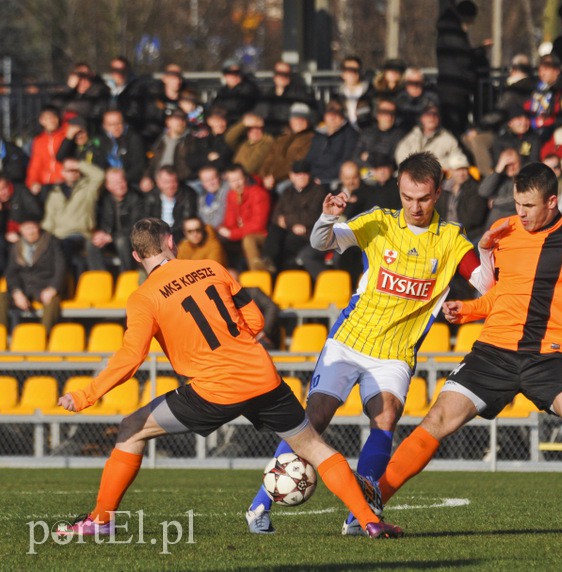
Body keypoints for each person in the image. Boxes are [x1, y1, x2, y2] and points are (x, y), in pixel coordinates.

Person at [55, 217, 401, 539]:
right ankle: (369, 521)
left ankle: (100, 521)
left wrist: (86, 395)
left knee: (132, 428)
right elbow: (255, 321)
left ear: (135, 255)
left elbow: (131, 358)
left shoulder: (143, 298)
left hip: (213, 391)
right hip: (262, 377)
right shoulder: (210, 267)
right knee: (315, 448)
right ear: (170, 242)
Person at [375, 162, 562, 539]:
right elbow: (504, 294)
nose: (521, 213)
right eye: (516, 204)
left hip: (549, 354)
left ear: (552, 201)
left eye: (528, 206)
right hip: (494, 350)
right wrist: (470, 311)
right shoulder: (506, 233)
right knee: (437, 421)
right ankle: (371, 506)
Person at [246, 152, 493, 535]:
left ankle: (358, 516)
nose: (415, 206)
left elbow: (485, 283)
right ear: (399, 188)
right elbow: (321, 241)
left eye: (424, 198)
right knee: (313, 423)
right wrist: (328, 217)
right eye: (408, 197)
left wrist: (488, 250)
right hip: (349, 341)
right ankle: (259, 506)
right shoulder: (378, 221)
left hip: (395, 352)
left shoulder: (450, 239)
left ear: (438, 193)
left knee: (386, 419)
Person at [40, 158, 105, 277]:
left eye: (75, 170)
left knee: (73, 247)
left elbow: (99, 175)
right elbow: (49, 219)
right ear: (62, 172)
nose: (73, 173)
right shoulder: (55, 192)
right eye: (69, 170)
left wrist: (78, 164)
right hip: (60, 235)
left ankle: (97, 282)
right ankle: (62, 284)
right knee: (48, 248)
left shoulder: (87, 188)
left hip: (82, 233)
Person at [0, 218, 65, 334]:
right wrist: (16, 292)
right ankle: (1, 335)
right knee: (1, 297)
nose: (30, 232)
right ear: (21, 230)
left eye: (32, 227)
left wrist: (52, 288)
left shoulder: (52, 242)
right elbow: (11, 273)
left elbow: (61, 268)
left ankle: (44, 336)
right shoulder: (16, 247)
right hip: (24, 288)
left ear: (38, 227)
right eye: (26, 228)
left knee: (53, 302)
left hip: (45, 287)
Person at [435, 0, 489, 135]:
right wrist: (481, 51)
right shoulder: (452, 30)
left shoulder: (449, 29)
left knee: (455, 126)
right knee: (454, 127)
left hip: (455, 87)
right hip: (455, 88)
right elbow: (464, 58)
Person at [261, 160, 326, 273]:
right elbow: (276, 216)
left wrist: (286, 220)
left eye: (304, 173)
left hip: (308, 232)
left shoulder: (318, 191)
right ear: (291, 176)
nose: (301, 177)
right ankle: (268, 262)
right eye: (298, 174)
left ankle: (280, 274)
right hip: (291, 230)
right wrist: (292, 225)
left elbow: (312, 216)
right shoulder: (287, 192)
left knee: (287, 243)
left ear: (309, 175)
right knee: (274, 231)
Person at [87, 168, 143, 272]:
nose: (120, 185)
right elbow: (101, 222)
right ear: (108, 186)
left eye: (121, 181)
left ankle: (126, 277)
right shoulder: (105, 200)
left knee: (121, 241)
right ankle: (100, 278)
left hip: (129, 240)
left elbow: (136, 227)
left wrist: (112, 237)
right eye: (115, 183)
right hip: (110, 239)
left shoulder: (135, 199)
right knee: (91, 242)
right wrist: (99, 234)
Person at [217, 164, 270, 272]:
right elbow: (229, 221)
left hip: (261, 235)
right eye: (232, 181)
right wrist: (223, 229)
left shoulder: (258, 194)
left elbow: (258, 226)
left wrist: (232, 233)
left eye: (238, 179)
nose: (236, 184)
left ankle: (258, 277)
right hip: (241, 234)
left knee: (248, 240)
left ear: (245, 178)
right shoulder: (231, 195)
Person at [258, 102, 315, 194]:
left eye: (302, 118)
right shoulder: (282, 138)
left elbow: (295, 163)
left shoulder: (311, 138)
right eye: (295, 118)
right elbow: (269, 158)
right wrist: (264, 176)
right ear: (290, 120)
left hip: (290, 178)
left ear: (308, 121)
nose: (299, 121)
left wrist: (274, 177)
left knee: (282, 188)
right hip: (270, 178)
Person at [394, 102, 467, 168]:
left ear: (439, 118)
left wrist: (434, 167)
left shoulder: (448, 139)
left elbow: (459, 161)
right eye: (428, 114)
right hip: (413, 177)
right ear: (421, 118)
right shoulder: (411, 137)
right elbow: (401, 159)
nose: (432, 117)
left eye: (435, 114)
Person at [305, 99, 359, 186]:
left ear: (342, 117)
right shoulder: (319, 133)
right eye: (330, 114)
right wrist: (305, 173)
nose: (333, 117)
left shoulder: (350, 134)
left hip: (332, 179)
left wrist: (321, 177)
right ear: (325, 116)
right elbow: (310, 157)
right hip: (312, 176)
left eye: (337, 114)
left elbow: (345, 161)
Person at [142, 165, 198, 242]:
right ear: (158, 183)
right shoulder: (151, 197)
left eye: (174, 181)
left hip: (179, 235)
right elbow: (147, 220)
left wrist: (167, 235)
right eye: (167, 182)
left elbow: (186, 221)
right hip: (156, 234)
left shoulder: (188, 194)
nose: (170, 186)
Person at [26, 105, 67, 193]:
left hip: (63, 180)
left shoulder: (66, 136)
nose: (51, 121)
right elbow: (36, 164)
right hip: (44, 183)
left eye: (54, 117)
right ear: (41, 121)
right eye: (48, 118)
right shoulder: (38, 141)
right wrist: (33, 182)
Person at [353, 99, 405, 169]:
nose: (389, 117)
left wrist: (369, 157)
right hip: (366, 173)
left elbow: (393, 161)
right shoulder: (367, 132)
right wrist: (373, 169)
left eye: (392, 113)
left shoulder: (399, 135)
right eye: (385, 112)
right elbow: (355, 157)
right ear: (378, 115)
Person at [479, 147, 521, 229]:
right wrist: (498, 170)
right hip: (491, 230)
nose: (510, 167)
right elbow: (483, 191)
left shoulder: (525, 177)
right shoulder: (498, 179)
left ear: (519, 161)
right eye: (506, 165)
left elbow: (517, 199)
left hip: (512, 229)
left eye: (513, 164)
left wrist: (495, 202)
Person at [224, 113, 275, 178]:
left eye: (258, 128)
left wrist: (233, 175)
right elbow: (229, 138)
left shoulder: (266, 143)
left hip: (249, 178)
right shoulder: (244, 143)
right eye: (251, 129)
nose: (255, 131)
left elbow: (250, 167)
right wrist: (244, 124)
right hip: (236, 176)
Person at [333, 55, 374, 130]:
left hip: (366, 135)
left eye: (356, 70)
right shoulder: (336, 95)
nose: (352, 73)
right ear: (342, 73)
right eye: (348, 70)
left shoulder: (370, 93)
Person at [196, 165, 230, 229]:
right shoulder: (201, 198)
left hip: (223, 231)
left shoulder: (227, 190)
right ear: (202, 183)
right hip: (207, 232)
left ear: (219, 177)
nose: (210, 183)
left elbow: (222, 216)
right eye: (206, 181)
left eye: (213, 179)